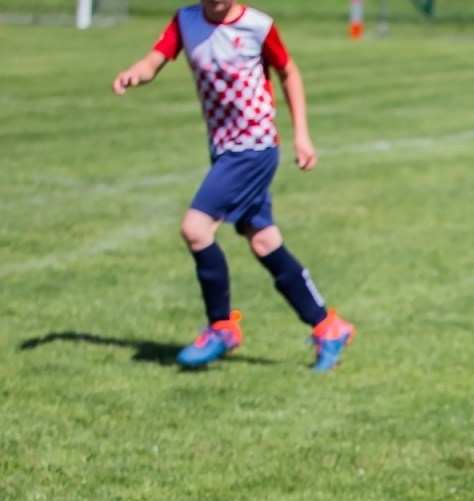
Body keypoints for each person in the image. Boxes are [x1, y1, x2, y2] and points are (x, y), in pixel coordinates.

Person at [112, 0, 355, 371]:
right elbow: (154, 60)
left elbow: (289, 72)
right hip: (224, 150)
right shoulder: (186, 20)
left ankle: (222, 327)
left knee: (195, 229)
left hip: (253, 148)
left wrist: (302, 135)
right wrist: (135, 73)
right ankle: (328, 326)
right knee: (264, 242)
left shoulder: (257, 26)